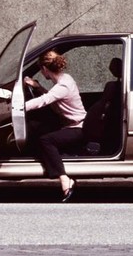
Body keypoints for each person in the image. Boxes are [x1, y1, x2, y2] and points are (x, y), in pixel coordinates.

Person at [23, 50, 86, 201]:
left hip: (78, 128)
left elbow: (45, 100)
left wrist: (18, 106)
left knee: (45, 140)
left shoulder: (63, 85)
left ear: (44, 69)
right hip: (71, 125)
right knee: (38, 126)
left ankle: (64, 179)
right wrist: (37, 87)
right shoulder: (64, 79)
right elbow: (53, 97)